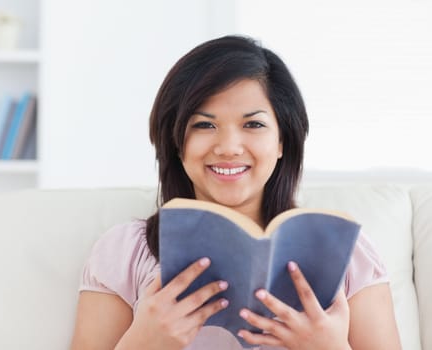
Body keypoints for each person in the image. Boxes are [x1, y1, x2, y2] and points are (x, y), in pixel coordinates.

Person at [70, 35, 401, 349]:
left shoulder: (349, 253)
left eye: (253, 124)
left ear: (282, 140)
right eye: (204, 125)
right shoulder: (124, 254)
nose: (228, 147)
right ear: (176, 141)